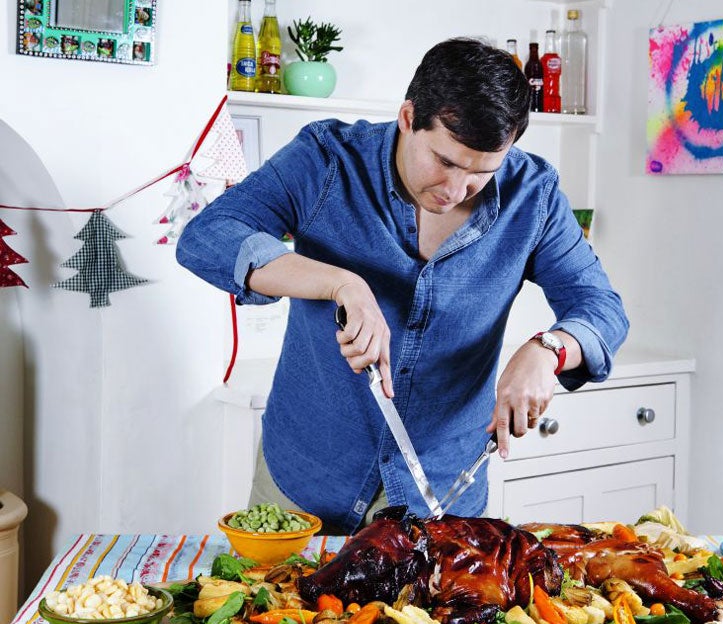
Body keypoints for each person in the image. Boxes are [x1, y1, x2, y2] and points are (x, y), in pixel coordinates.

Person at [177, 37, 628, 534]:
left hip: (441, 493)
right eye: (446, 162)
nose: (455, 191)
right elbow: (208, 237)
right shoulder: (328, 160)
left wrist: (550, 349)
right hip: (303, 478)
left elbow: (600, 306)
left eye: (481, 173)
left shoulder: (534, 195)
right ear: (409, 118)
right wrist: (337, 282)